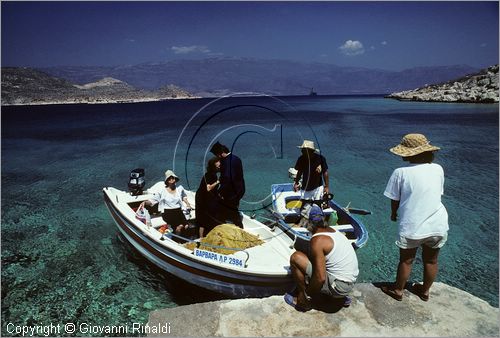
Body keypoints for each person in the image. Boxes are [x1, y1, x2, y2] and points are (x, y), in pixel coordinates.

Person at [381, 133, 449, 302]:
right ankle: (425, 291)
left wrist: (393, 214)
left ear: (406, 153)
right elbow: (437, 193)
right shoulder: (438, 169)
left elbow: (394, 199)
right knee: (432, 261)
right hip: (438, 224)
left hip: (413, 225)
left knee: (406, 260)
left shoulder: (400, 172)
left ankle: (398, 290)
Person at [285, 205, 359, 312]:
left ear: (308, 223)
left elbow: (320, 278)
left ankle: (304, 300)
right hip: (349, 284)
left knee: (296, 258)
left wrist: (307, 295)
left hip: (338, 287)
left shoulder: (317, 240)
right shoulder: (334, 232)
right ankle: (339, 298)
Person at [141, 170, 192, 237]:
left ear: (175, 179)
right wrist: (145, 202)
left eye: (172, 178)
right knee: (180, 225)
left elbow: (184, 197)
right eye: (169, 178)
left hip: (178, 211)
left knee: (186, 225)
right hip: (168, 212)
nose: (171, 179)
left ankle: (178, 232)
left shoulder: (180, 189)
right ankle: (177, 237)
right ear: (167, 181)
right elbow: (152, 201)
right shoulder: (162, 191)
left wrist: (188, 204)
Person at [210, 141, 245, 228]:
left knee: (230, 211)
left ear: (220, 153)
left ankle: (238, 229)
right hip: (240, 189)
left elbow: (228, 178)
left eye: (217, 155)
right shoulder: (236, 158)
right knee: (232, 209)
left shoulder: (226, 162)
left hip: (231, 192)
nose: (217, 157)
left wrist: (220, 192)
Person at [195, 157, 221, 238]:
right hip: (202, 199)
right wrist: (218, 181)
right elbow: (208, 188)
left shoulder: (214, 175)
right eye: (218, 166)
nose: (220, 166)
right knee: (202, 219)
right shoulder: (209, 175)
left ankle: (209, 234)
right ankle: (201, 238)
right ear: (213, 166)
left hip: (208, 198)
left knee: (211, 216)